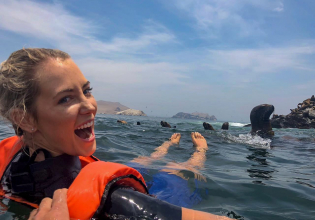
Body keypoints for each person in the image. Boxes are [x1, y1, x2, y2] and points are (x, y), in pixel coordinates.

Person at [0, 48, 231, 219]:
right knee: (178, 171)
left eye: (87, 90)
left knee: (138, 164)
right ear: (25, 119)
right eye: (66, 98)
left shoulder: (9, 169)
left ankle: (168, 146)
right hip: (146, 192)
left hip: (94, 177)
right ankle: (198, 152)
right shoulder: (119, 203)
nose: (91, 106)